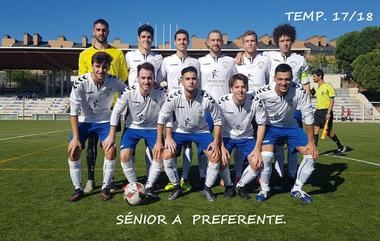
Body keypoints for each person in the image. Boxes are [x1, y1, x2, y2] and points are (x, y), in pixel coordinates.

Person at [237, 63, 318, 203]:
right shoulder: (263, 92)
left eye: (287, 79)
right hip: (271, 128)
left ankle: (297, 189)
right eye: (280, 79)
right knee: (267, 157)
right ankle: (265, 189)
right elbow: (245, 99)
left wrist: (311, 142)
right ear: (274, 78)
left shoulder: (300, 91)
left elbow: (308, 115)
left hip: (291, 127)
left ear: (292, 78)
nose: (284, 83)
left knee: (311, 155)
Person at [155, 66, 223, 201]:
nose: (191, 81)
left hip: (201, 131)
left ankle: (207, 188)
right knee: (167, 154)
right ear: (181, 81)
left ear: (197, 80)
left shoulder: (206, 97)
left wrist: (216, 141)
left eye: (193, 79)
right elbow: (162, 119)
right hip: (180, 131)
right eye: (187, 79)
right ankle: (176, 186)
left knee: (215, 156)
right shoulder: (174, 97)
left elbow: (218, 120)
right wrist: (163, 139)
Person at [102, 62, 167, 200]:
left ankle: (149, 186)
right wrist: (111, 135)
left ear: (154, 78)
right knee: (124, 156)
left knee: (159, 154)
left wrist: (163, 139)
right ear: (137, 78)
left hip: (153, 128)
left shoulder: (161, 93)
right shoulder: (128, 92)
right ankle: (134, 185)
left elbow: (166, 115)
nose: (146, 81)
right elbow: (116, 112)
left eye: (149, 78)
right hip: (132, 128)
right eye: (143, 78)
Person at [68, 52, 126, 202]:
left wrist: (121, 105)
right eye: (97, 66)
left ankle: (106, 187)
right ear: (92, 65)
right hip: (84, 121)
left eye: (104, 67)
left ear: (108, 67)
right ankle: (78, 188)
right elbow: (73, 112)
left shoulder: (114, 81)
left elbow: (128, 92)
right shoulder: (80, 82)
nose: (101, 70)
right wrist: (75, 138)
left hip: (105, 122)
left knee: (110, 150)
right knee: (73, 149)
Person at [78, 19, 128, 193]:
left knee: (108, 145)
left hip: (112, 107)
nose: (101, 32)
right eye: (98, 30)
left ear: (108, 31)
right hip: (91, 108)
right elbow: (83, 79)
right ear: (94, 31)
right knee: (91, 145)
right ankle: (90, 180)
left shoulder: (118, 54)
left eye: (104, 30)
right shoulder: (84, 54)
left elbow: (123, 78)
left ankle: (110, 179)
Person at [264, 24, 310, 190]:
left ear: (292, 41)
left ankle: (291, 176)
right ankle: (278, 175)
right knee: (276, 146)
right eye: (282, 40)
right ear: (277, 41)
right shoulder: (268, 57)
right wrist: (240, 54)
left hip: (294, 109)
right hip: (274, 109)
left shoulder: (300, 60)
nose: (285, 43)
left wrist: (306, 108)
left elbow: (306, 84)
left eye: (288, 40)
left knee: (293, 147)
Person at [159, 29, 201, 192]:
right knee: (171, 145)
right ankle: (173, 178)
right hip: (172, 108)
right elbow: (159, 80)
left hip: (190, 107)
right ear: (175, 42)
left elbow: (199, 85)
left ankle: (185, 178)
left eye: (185, 39)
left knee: (188, 145)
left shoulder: (195, 62)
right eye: (179, 39)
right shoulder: (167, 61)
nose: (182, 42)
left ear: (188, 42)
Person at [218, 73, 267, 199]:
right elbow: (217, 125)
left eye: (243, 87)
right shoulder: (222, 102)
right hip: (227, 137)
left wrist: (257, 148)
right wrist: (221, 147)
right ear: (231, 88)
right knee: (221, 160)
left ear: (247, 88)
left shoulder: (256, 101)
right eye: (237, 87)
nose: (240, 90)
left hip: (247, 137)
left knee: (257, 163)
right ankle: (229, 185)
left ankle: (240, 185)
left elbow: (261, 124)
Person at [198, 29, 237, 185]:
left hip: (224, 110)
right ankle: (203, 175)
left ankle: (222, 174)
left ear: (222, 42)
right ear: (207, 42)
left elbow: (235, 82)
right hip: (205, 109)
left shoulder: (230, 61)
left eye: (218, 40)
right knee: (205, 143)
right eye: (212, 40)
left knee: (224, 142)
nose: (215, 43)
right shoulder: (199, 62)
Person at [125, 24, 163, 180]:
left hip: (151, 105)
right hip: (132, 104)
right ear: (138, 38)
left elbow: (160, 80)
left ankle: (150, 179)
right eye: (143, 37)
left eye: (149, 37)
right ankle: (132, 181)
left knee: (151, 145)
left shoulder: (158, 58)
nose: (146, 39)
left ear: (152, 39)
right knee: (130, 148)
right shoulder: (129, 56)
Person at [234, 30, 270, 183]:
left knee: (259, 141)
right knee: (240, 140)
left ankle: (258, 173)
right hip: (244, 108)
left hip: (261, 107)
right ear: (243, 44)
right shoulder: (237, 62)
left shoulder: (266, 60)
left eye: (252, 41)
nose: (250, 43)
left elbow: (269, 81)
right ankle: (237, 173)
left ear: (257, 43)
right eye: (247, 41)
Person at [312, 69, 347, 154]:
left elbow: (332, 100)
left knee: (328, 133)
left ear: (320, 76)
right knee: (315, 129)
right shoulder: (318, 88)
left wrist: (328, 112)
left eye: (314, 76)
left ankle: (340, 146)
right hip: (318, 111)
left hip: (326, 111)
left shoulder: (328, 86)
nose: (313, 78)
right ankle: (315, 149)